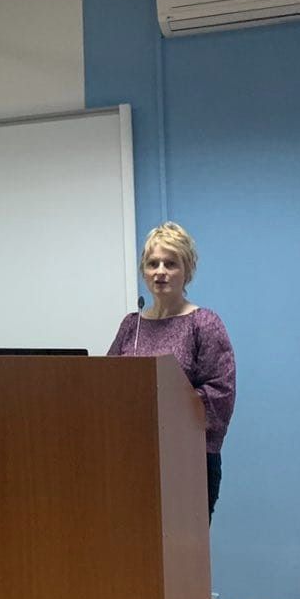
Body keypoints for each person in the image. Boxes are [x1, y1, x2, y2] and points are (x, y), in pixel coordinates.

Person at [107, 221, 236, 522]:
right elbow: (108, 384)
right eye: (153, 264)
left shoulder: (204, 324)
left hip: (188, 462)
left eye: (171, 263)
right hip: (132, 458)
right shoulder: (131, 325)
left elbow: (220, 395)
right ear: (143, 271)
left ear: (186, 270)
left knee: (181, 549)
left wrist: (161, 409)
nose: (160, 272)